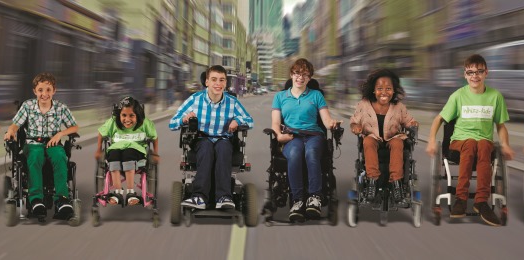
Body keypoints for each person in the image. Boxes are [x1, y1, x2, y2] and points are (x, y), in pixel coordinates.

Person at [425, 54, 514, 227]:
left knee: (482, 145)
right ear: (465, 74)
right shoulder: (457, 96)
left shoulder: (496, 97)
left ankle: (481, 202)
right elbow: (438, 120)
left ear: (486, 73)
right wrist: (430, 141)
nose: (475, 75)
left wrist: (506, 145)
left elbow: (501, 126)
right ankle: (461, 197)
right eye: (470, 72)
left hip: (484, 143)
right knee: (472, 143)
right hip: (459, 142)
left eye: (479, 71)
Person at [169, 65, 253, 210]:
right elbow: (172, 123)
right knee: (207, 146)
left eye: (221, 80)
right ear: (207, 82)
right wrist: (184, 119)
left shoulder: (232, 102)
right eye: (214, 79)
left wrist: (237, 121)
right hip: (202, 139)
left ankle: (224, 197)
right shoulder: (195, 100)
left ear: (225, 83)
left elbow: (249, 120)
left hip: (224, 139)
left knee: (223, 146)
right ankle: (199, 197)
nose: (218, 84)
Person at [271, 58, 340, 222]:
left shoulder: (316, 95)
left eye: (304, 74)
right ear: (291, 75)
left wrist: (333, 124)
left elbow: (326, 120)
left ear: (309, 78)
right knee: (294, 153)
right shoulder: (280, 97)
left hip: (314, 136)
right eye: (297, 73)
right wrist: (279, 136)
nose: (300, 77)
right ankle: (297, 200)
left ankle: (314, 197)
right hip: (291, 136)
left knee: (311, 152)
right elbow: (275, 123)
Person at [3, 72, 79, 219]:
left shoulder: (61, 108)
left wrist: (60, 134)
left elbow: (75, 127)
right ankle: (36, 199)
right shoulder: (28, 106)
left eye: (48, 90)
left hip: (53, 143)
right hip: (32, 143)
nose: (44, 94)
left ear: (54, 91)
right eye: (40, 90)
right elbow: (15, 125)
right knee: (35, 156)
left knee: (60, 157)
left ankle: (62, 200)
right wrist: (10, 132)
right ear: (35, 91)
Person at [349, 69, 418, 203]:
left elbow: (409, 121)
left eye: (388, 88)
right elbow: (354, 122)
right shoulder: (364, 104)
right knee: (368, 141)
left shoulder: (399, 107)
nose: (384, 92)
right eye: (380, 88)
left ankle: (396, 183)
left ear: (393, 90)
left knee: (398, 142)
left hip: (393, 138)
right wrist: (355, 127)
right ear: (374, 90)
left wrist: (413, 124)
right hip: (372, 138)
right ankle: (372, 182)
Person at [95, 96, 159, 206]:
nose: (127, 119)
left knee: (128, 153)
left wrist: (156, 153)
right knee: (113, 155)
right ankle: (117, 192)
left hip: (136, 150)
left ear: (137, 115)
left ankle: (131, 192)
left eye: (131, 116)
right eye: (124, 115)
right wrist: (98, 149)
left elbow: (154, 137)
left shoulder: (144, 123)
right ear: (119, 114)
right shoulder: (114, 122)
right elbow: (101, 133)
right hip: (116, 149)